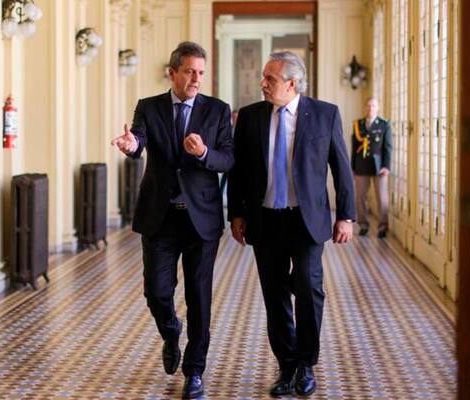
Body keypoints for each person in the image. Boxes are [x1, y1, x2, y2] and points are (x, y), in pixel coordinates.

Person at [227, 51, 356, 397]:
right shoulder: (252, 117)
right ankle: (286, 366)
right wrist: (236, 214)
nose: (262, 84)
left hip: (307, 220)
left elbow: (341, 167)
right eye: (264, 77)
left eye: (270, 79)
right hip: (265, 219)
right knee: (275, 294)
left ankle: (306, 364)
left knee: (309, 290)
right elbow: (239, 170)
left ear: (292, 83)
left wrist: (346, 215)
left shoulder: (324, 115)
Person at [111, 41, 233, 399]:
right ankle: (170, 330)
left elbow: (228, 159)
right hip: (160, 217)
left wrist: (206, 153)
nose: (196, 79)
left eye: (200, 73)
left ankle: (194, 372)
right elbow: (139, 140)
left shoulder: (217, 110)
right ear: (173, 73)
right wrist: (132, 145)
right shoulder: (149, 107)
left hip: (202, 220)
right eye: (190, 72)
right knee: (156, 291)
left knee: (199, 297)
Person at [351, 97, 393, 238]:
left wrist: (386, 166)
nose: (370, 108)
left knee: (382, 197)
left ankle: (383, 226)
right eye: (368, 105)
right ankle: (363, 225)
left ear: (378, 107)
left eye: (373, 106)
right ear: (365, 107)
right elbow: (354, 147)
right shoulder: (358, 124)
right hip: (361, 165)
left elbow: (388, 147)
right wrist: (352, 167)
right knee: (360, 197)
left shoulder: (384, 124)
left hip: (379, 166)